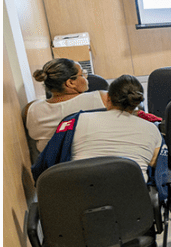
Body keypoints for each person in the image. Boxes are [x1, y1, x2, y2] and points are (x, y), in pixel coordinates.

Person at [32, 74, 162, 181]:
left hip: (79, 201)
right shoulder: (152, 129)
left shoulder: (75, 120)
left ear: (108, 98)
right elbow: (158, 166)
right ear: (137, 103)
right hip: (133, 204)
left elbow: (46, 163)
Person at [27, 58, 108, 152]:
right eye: (82, 74)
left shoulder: (32, 109)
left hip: (57, 165)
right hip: (100, 161)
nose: (86, 77)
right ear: (70, 83)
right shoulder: (102, 99)